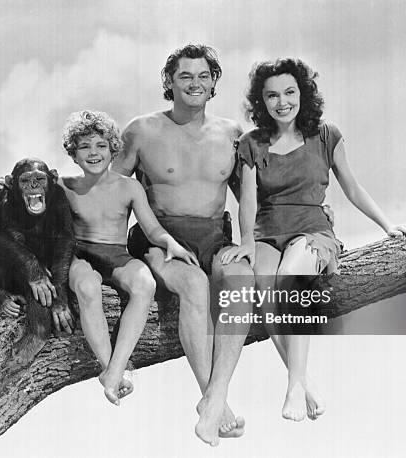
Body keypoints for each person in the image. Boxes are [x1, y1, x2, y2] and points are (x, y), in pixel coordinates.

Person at [221, 57, 406, 421]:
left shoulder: (326, 135)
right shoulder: (251, 143)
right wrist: (247, 243)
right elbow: (248, 201)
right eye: (272, 96)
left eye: (289, 92)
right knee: (264, 300)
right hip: (267, 235)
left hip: (312, 231)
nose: (282, 102)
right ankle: (305, 378)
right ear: (261, 102)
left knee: (291, 282)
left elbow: (352, 187)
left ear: (303, 93)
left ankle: (294, 387)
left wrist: (387, 224)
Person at [112, 44, 252, 446]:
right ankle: (214, 400)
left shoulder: (231, 134)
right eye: (185, 76)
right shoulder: (141, 130)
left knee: (241, 277)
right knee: (194, 286)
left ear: (213, 84)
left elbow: (251, 201)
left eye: (203, 76)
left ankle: (215, 397)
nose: (195, 83)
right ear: (169, 83)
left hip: (215, 235)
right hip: (160, 237)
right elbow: (112, 193)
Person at [60, 110, 197, 406]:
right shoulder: (64, 186)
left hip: (116, 254)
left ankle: (116, 369)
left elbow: (152, 227)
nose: (93, 153)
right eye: (84, 147)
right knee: (86, 287)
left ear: (113, 149)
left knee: (144, 284)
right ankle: (110, 369)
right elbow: (27, 195)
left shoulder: (129, 186)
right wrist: (4, 186)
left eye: (100, 146)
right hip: (81, 255)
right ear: (73, 154)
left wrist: (171, 243)